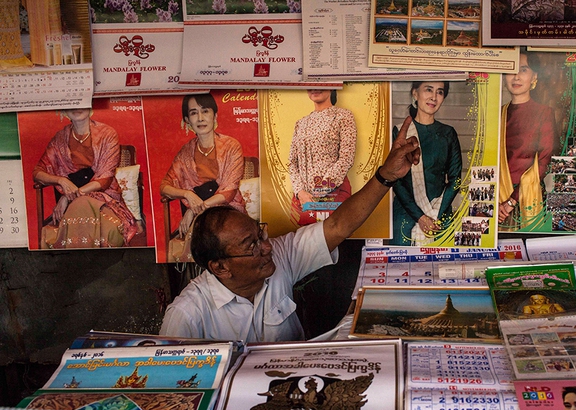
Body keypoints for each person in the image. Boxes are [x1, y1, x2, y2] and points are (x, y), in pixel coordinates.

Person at [159, 116, 422, 343]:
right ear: (220, 267)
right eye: (251, 245)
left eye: (259, 234)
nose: (266, 247)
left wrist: (386, 175)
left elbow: (338, 226)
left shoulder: (279, 256)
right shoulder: (188, 315)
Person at [32, 109, 138, 249]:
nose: (77, 108)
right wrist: (61, 181)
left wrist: (68, 197)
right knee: (78, 208)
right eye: (72, 104)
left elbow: (105, 179)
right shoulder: (59, 139)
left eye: (81, 102)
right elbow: (37, 172)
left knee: (109, 230)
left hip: (105, 199)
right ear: (64, 110)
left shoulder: (107, 134)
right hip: (72, 204)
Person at [160, 93, 245, 246]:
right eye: (193, 113)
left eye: (205, 111)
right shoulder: (185, 152)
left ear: (215, 115)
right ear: (187, 120)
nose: (200, 118)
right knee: (186, 242)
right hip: (198, 217)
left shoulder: (232, 146)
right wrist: (187, 194)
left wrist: (194, 211)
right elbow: (164, 187)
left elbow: (229, 191)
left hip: (227, 211)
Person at [390, 81, 462, 245]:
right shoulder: (401, 131)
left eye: (440, 92)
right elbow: (396, 179)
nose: (434, 97)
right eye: (428, 90)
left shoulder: (448, 133)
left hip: (440, 213)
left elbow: (455, 179)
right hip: (406, 215)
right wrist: (420, 217)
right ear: (415, 93)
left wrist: (436, 214)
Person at [498, 50, 557, 229]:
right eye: (511, 70)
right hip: (495, 200)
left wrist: (511, 201)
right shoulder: (497, 113)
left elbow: (544, 161)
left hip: (525, 199)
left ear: (534, 76)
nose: (516, 77)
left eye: (523, 70)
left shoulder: (544, 113)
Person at [289, 89, 357, 226]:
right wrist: (300, 192)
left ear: (332, 87)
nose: (315, 88)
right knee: (303, 244)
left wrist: (319, 191)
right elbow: (292, 162)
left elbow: (346, 158)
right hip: (303, 199)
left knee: (333, 240)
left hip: (333, 194)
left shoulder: (343, 116)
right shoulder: (301, 123)